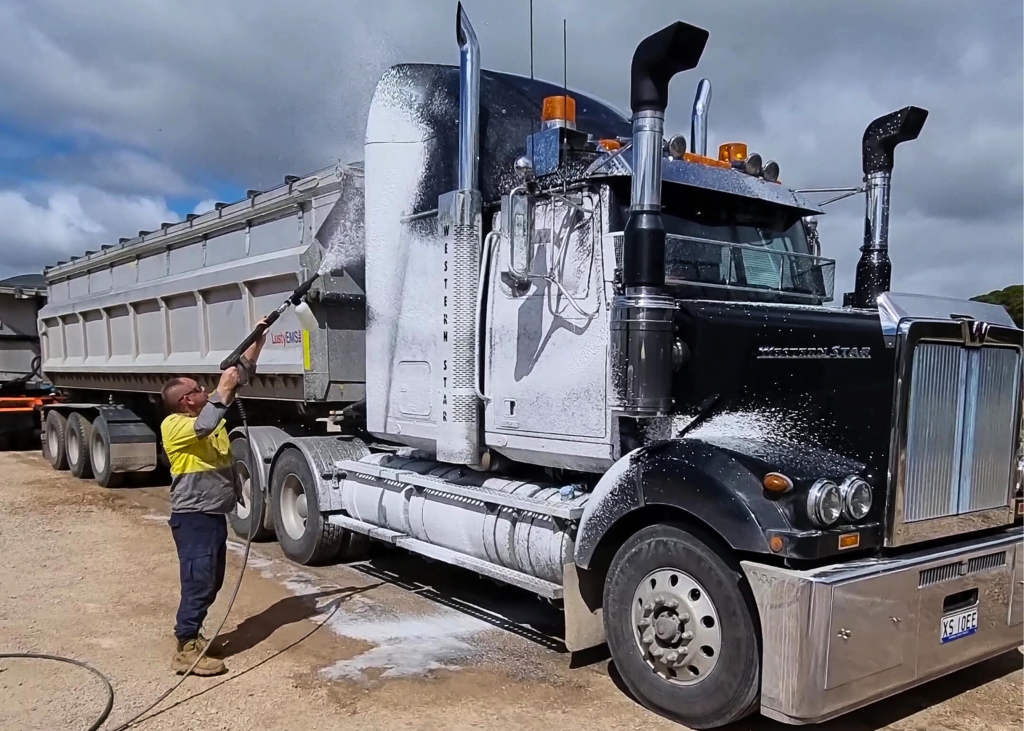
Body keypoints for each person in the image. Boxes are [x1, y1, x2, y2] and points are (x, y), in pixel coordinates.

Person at [159, 322, 267, 675]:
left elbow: (240, 377)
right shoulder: (174, 425)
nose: (204, 388)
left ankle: (193, 634)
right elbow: (205, 424)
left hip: (212, 514)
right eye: (197, 388)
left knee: (213, 578)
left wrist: (256, 340)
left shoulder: (211, 412)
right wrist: (221, 388)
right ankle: (185, 645)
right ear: (185, 400)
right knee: (199, 578)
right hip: (193, 516)